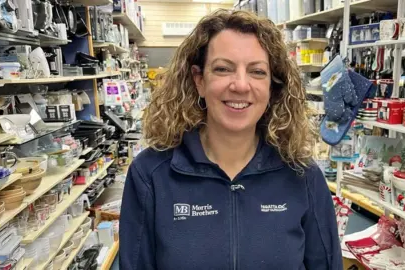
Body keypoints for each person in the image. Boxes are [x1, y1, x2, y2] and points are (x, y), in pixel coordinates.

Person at [120, 9, 342, 270]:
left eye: (257, 72)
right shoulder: (151, 175)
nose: (240, 85)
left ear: (272, 86)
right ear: (199, 80)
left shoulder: (303, 176)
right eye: (223, 69)